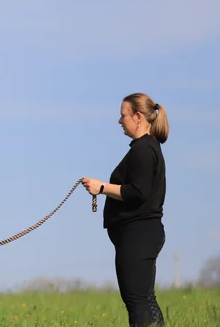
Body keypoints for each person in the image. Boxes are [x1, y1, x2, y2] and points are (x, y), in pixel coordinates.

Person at [81, 92, 169, 327]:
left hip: (138, 235)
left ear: (138, 117)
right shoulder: (148, 148)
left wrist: (101, 187)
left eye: (123, 116)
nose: (120, 121)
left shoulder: (143, 150)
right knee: (144, 300)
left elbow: (137, 192)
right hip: (141, 235)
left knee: (137, 301)